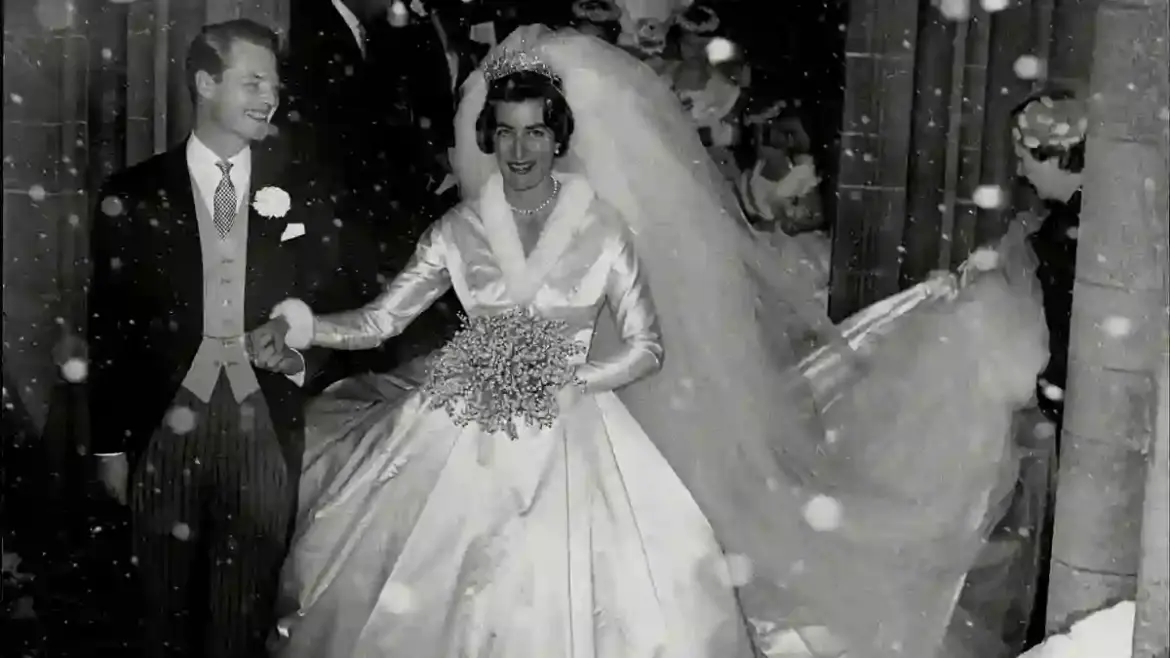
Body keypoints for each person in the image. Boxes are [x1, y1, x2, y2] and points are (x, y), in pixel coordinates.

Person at [266, 26, 1046, 658]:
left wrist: (572, 374)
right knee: (415, 568)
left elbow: (643, 344)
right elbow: (384, 320)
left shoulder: (602, 232)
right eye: (502, 136)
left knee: (616, 589)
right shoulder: (462, 229)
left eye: (534, 135)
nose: (517, 153)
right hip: (457, 423)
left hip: (578, 429)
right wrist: (308, 325)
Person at [87, 20, 373, 657]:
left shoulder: (302, 194)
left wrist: (299, 344)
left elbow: (341, 302)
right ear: (204, 82)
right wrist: (109, 445)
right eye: (252, 80)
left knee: (243, 619)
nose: (269, 95)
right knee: (159, 612)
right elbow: (109, 325)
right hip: (162, 421)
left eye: (273, 82)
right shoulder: (133, 195)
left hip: (264, 422)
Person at [1010, 90, 1087, 428]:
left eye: (1023, 159)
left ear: (1054, 155)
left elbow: (1064, 340)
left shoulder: (1073, 233)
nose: (1020, 171)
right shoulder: (1067, 221)